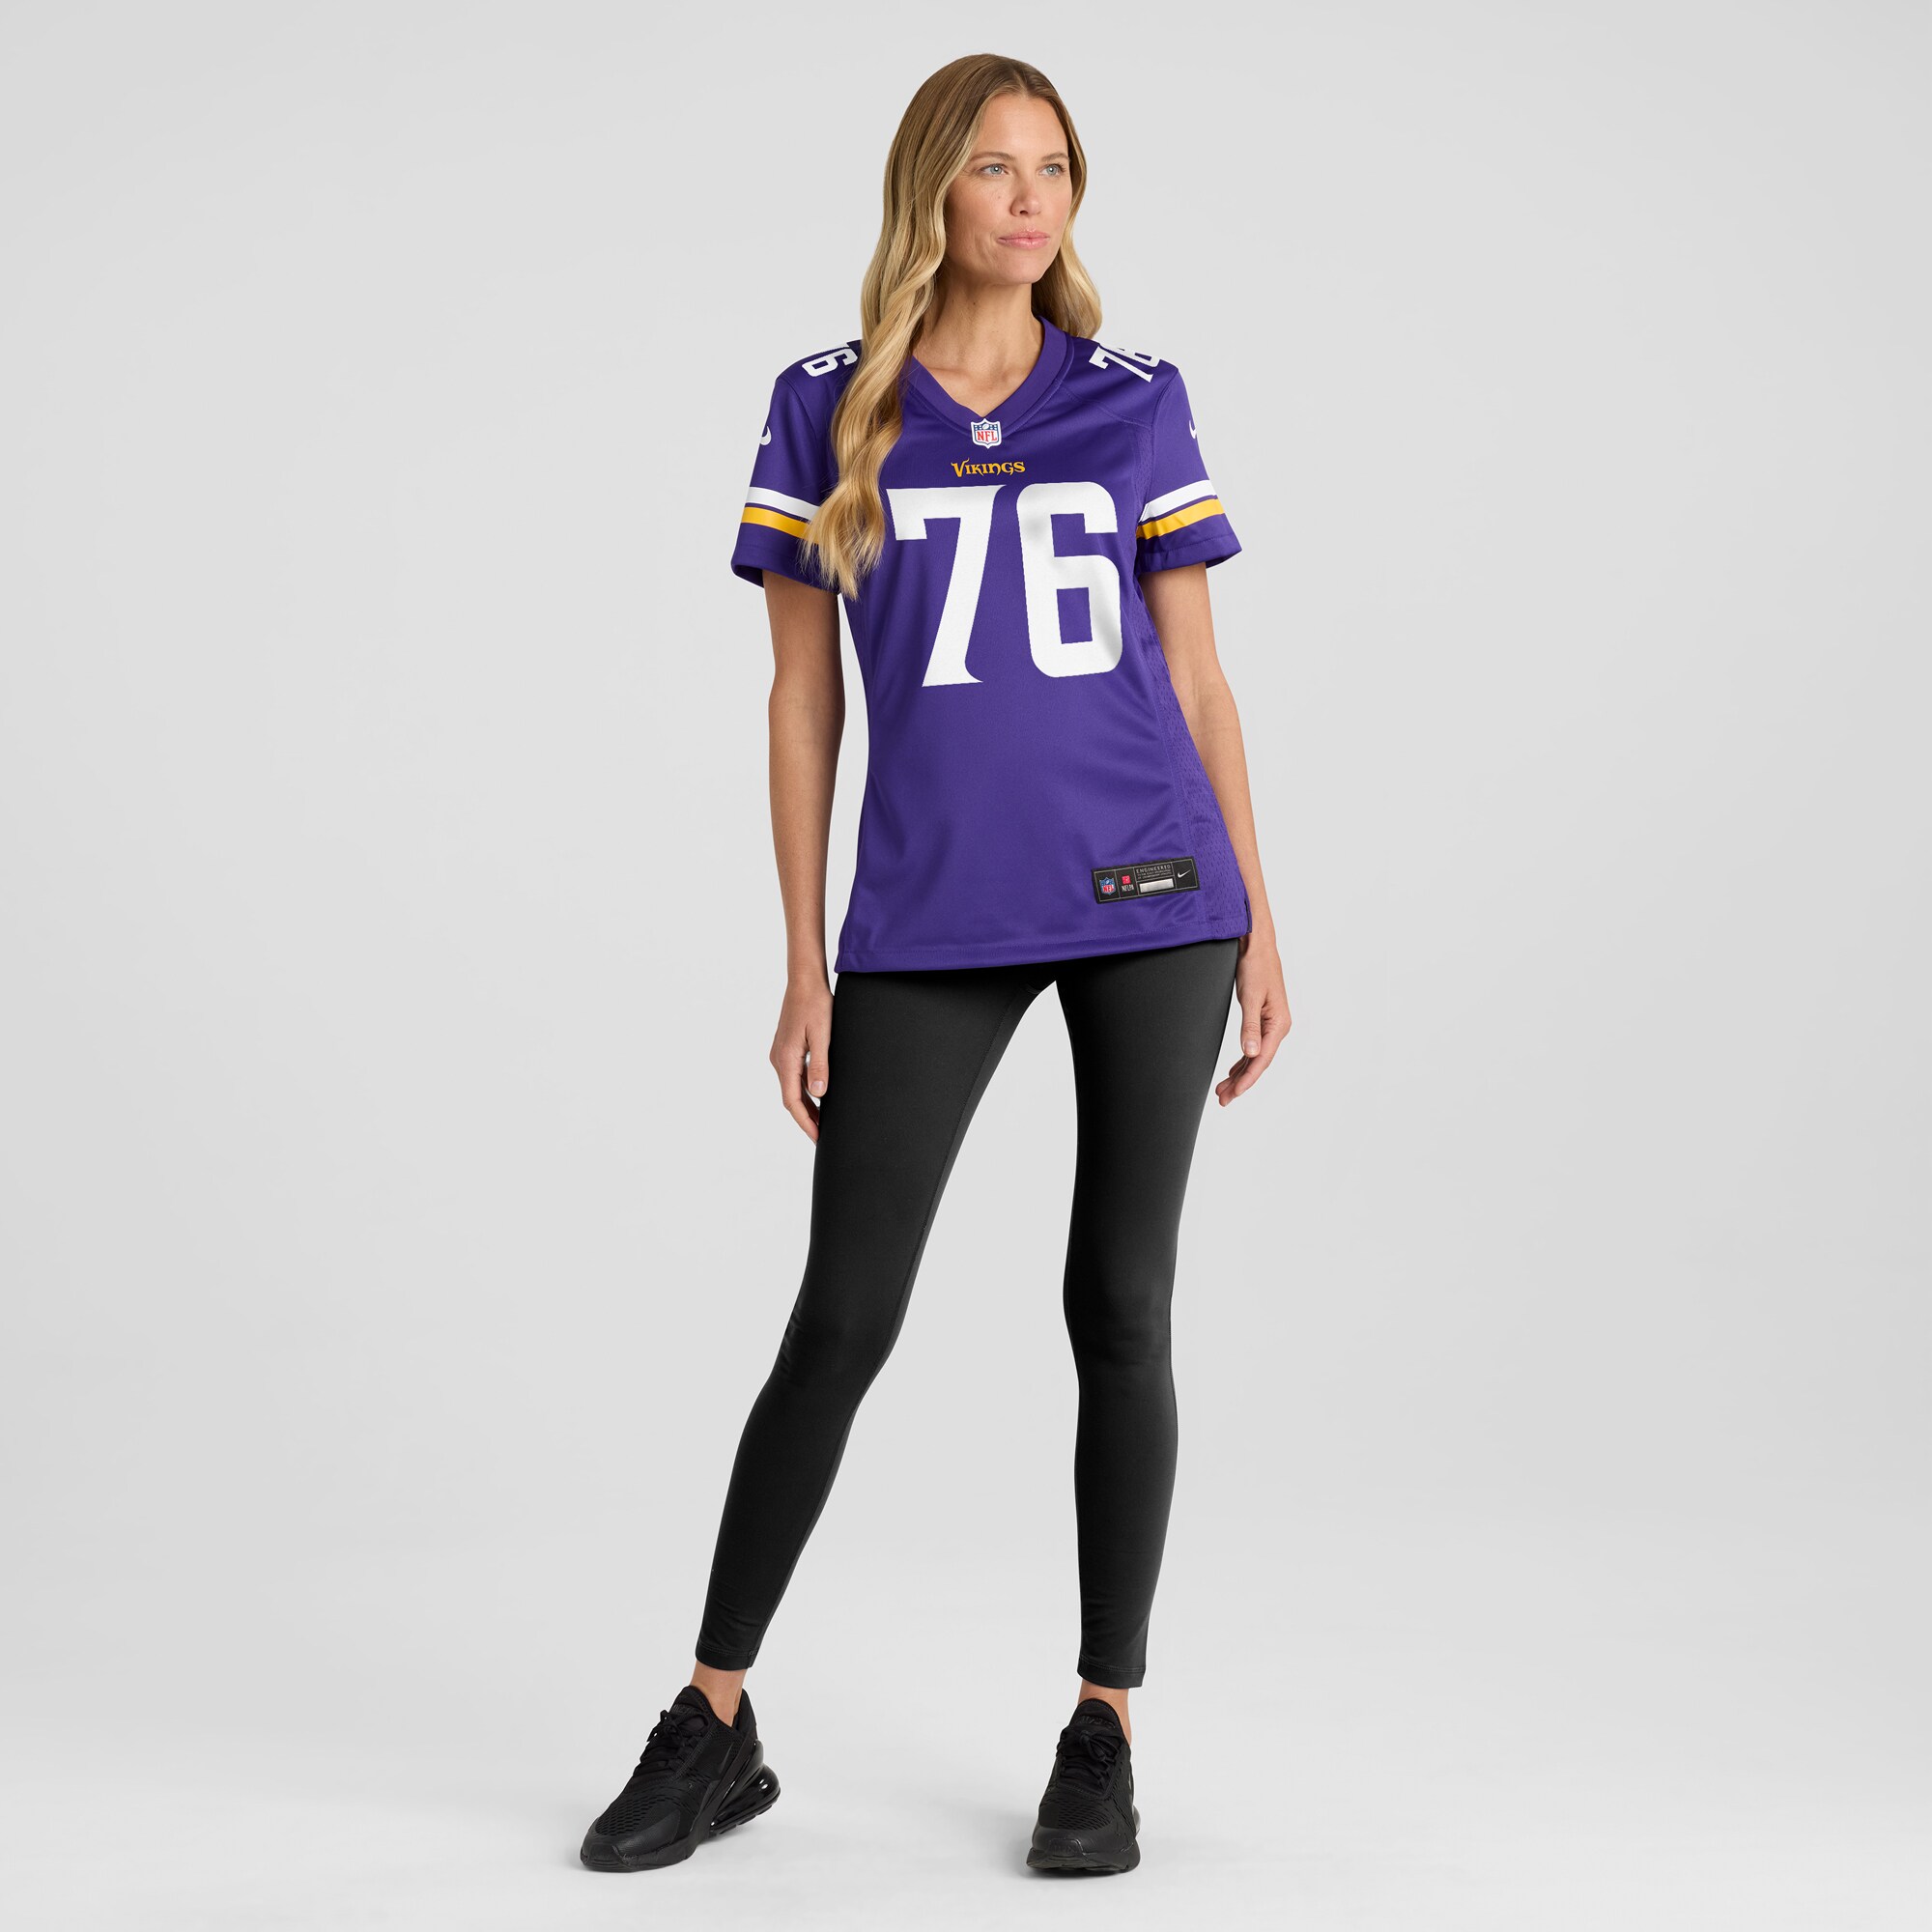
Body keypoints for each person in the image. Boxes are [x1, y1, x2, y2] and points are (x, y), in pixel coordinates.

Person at [579, 52, 1290, 1878]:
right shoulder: (827, 406)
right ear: (932, 193)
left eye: (1055, 168)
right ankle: (715, 1718)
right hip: (931, 916)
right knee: (844, 1315)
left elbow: (1197, 676)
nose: (1030, 199)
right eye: (994, 168)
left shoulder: (1134, 401)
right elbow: (800, 699)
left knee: (1120, 1305)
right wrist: (804, 960)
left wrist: (1261, 915)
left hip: (1154, 897)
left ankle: (1103, 1724)